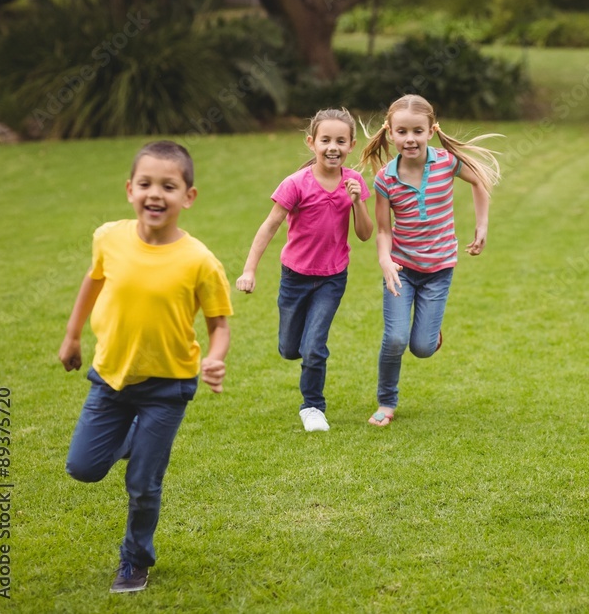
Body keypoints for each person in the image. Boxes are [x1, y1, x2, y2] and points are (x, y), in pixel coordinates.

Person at [59, 140, 233, 593]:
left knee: (143, 484)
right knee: (82, 467)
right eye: (146, 184)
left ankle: (134, 561)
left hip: (168, 387)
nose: (155, 194)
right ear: (130, 189)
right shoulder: (109, 237)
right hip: (110, 378)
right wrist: (72, 335)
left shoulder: (199, 261)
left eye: (168, 186)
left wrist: (215, 359)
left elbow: (219, 326)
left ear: (188, 196)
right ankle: (134, 438)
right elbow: (93, 281)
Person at [360, 94, 502, 426]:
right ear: (390, 133)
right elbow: (383, 230)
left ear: (431, 130)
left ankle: (430, 334)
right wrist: (385, 260)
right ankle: (386, 403)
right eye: (403, 132)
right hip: (401, 270)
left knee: (422, 347)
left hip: (439, 270)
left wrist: (482, 225)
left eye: (418, 131)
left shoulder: (446, 163)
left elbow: (480, 180)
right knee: (395, 339)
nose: (410, 139)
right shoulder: (385, 179)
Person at [236, 108, 372, 432]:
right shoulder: (296, 183)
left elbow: (365, 234)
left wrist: (358, 202)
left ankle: (312, 407)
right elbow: (269, 227)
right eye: (325, 139)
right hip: (295, 278)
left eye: (340, 140)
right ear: (312, 142)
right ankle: (302, 354)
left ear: (351, 144)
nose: (333, 146)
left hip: (332, 278)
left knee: (314, 347)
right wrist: (249, 270)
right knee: (288, 349)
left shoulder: (354, 182)